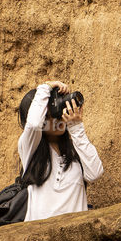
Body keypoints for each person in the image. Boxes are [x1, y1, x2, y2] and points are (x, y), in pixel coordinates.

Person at [17, 80, 103, 221]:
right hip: (39, 238)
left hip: (74, 238)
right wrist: (47, 87)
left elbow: (95, 173)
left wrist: (76, 127)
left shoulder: (76, 150)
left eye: (57, 112)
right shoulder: (29, 149)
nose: (57, 119)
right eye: (49, 115)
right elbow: (33, 125)